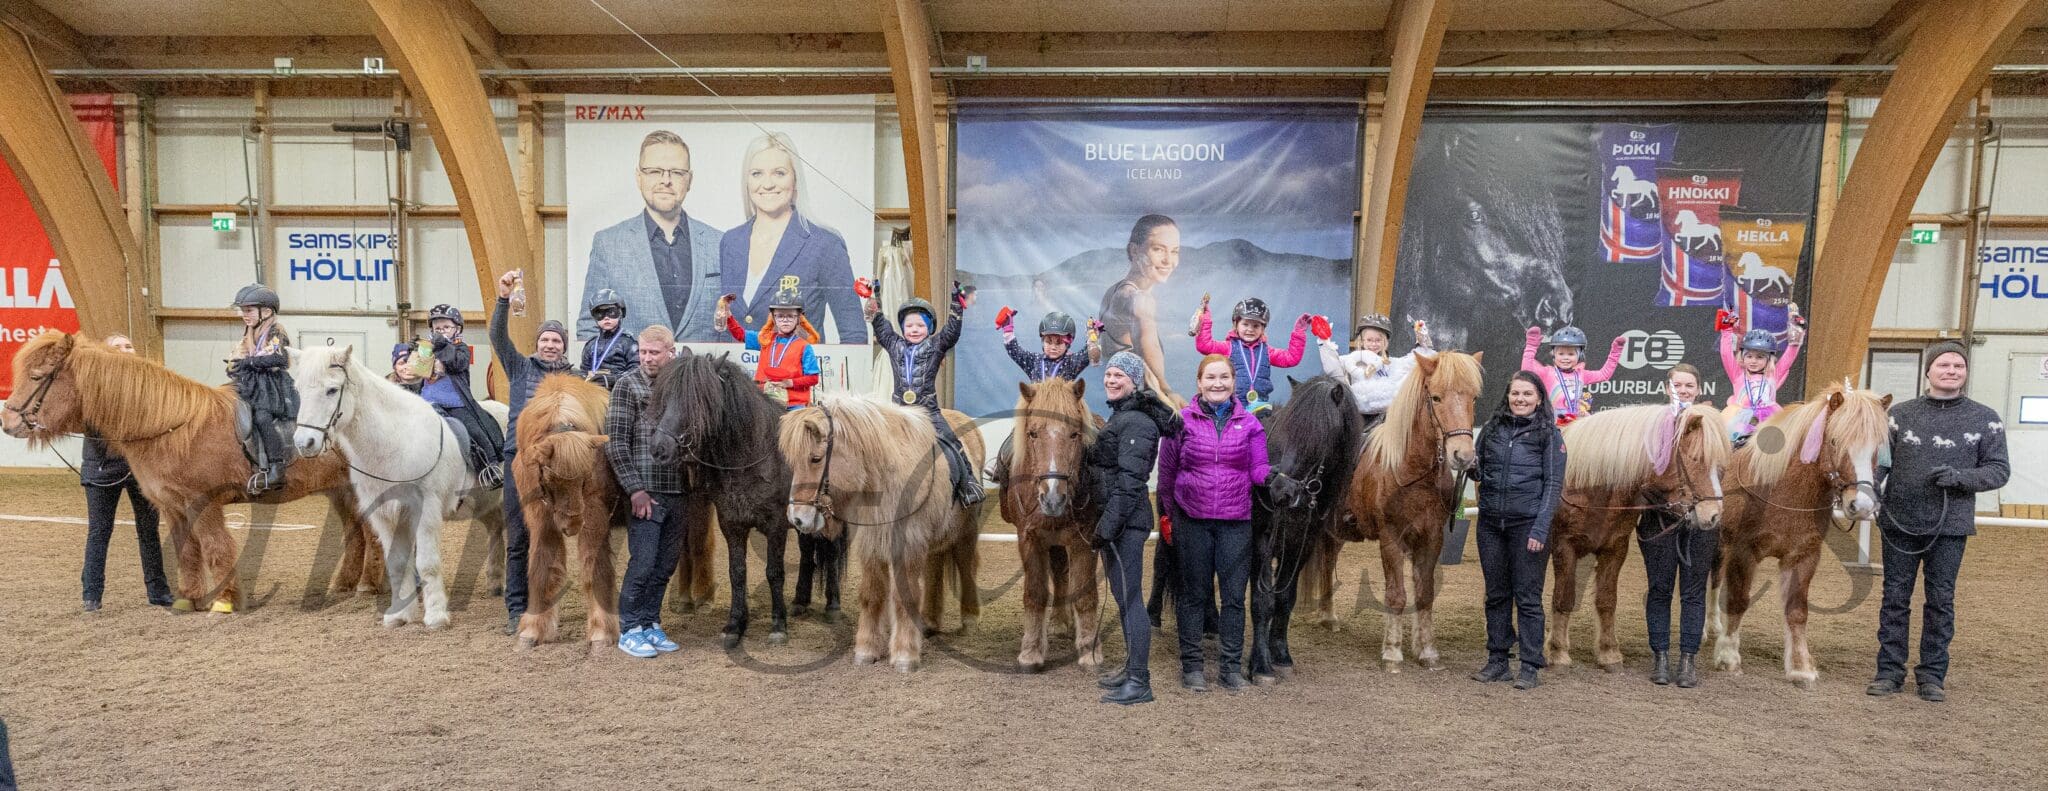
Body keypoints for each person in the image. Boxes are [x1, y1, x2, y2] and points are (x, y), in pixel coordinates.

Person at [1868, 341, 2010, 703]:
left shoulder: (1986, 419)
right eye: (1944, 364)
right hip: (1899, 521)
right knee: (1895, 598)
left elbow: (1998, 470)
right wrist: (1871, 492)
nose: (1951, 371)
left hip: (1950, 526)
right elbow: (1880, 464)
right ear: (1928, 371)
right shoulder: (1897, 416)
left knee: (1940, 600)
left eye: (1958, 366)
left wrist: (1961, 477)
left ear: (1965, 373)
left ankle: (1932, 675)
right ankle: (1889, 671)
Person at [1155, 355, 1300, 693]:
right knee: (1194, 595)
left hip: (1236, 523)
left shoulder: (1250, 425)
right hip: (1192, 519)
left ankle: (1230, 669)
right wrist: (1167, 515)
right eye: (1210, 378)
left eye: (1223, 377)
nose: (1217, 383)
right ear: (1199, 383)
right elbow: (1167, 476)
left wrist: (1276, 479)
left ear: (1234, 382)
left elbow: (1258, 470)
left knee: (1234, 598)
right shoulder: (1182, 423)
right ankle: (1192, 667)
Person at [1089, 351, 1180, 705]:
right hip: (1119, 523)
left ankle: (1140, 681)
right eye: (1109, 374)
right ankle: (1130, 669)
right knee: (1124, 599)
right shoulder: (1122, 417)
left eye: (1119, 376)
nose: (1111, 380)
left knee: (1131, 603)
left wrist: (1106, 528)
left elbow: (1130, 482)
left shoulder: (1137, 423)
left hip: (1126, 524)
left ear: (1134, 381)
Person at [718, 132, 866, 344]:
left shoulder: (825, 244)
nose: (767, 184)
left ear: (795, 179)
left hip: (797, 375)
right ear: (746, 181)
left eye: (779, 173)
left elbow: (854, 335)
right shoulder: (730, 242)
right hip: (734, 375)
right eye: (757, 173)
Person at [491, 270, 575, 635]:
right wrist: (502, 299)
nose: (550, 345)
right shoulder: (520, 367)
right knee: (520, 539)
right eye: (546, 339)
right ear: (538, 343)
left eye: (557, 340)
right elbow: (497, 336)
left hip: (558, 470)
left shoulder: (575, 377)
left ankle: (544, 604)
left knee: (551, 538)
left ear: (564, 346)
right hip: (519, 462)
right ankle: (515, 609)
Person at [581, 130, 725, 342]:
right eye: (655, 171)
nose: (665, 180)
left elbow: (732, 326)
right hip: (632, 373)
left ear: (690, 180)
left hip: (703, 373)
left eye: (676, 172)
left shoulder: (719, 243)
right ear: (639, 177)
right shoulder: (609, 244)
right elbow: (590, 327)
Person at [1470, 371, 1566, 691]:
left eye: (1527, 394)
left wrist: (1540, 529)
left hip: (1528, 526)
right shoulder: (1492, 430)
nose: (1520, 399)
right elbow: (1479, 470)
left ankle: (1529, 663)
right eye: (1515, 394)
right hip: (1490, 525)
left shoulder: (1549, 435)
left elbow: (1553, 485)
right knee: (1496, 594)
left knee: (1527, 597)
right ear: (1507, 396)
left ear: (1539, 398)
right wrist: (1472, 468)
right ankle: (1497, 659)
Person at [606, 325, 688, 658]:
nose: (647, 358)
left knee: (666, 564)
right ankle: (630, 628)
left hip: (679, 490)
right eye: (642, 352)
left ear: (671, 352)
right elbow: (615, 444)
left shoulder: (681, 389)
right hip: (646, 491)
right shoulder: (628, 385)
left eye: (654, 353)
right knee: (643, 562)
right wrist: (635, 490)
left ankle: (651, 622)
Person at [865, 287, 984, 506]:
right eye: (909, 325)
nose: (914, 329)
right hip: (899, 411)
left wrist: (956, 306)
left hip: (928, 411)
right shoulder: (894, 344)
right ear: (902, 328)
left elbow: (951, 333)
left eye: (920, 325)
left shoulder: (936, 345)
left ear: (929, 328)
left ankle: (968, 484)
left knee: (952, 440)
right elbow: (881, 326)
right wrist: (873, 299)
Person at [78, 334, 171, 613]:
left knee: (149, 531)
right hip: (102, 470)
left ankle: (158, 591)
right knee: (99, 532)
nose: (124, 349)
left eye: (128, 345)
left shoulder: (148, 385)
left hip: (141, 470)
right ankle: (91, 594)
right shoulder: (93, 388)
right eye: (116, 346)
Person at [1637, 363, 1712, 688]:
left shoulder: (1711, 423)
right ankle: (1661, 657)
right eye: (1678, 385)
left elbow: (1716, 471)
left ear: (1699, 389)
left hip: (1699, 522)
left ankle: (1688, 660)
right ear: (1667, 388)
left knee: (1694, 593)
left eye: (1689, 386)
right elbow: (1643, 474)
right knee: (1660, 589)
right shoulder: (1653, 424)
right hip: (1660, 520)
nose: (1683, 391)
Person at [986, 310, 1100, 484]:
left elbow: (1089, 354)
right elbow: (1015, 351)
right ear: (1042, 342)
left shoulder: (1072, 362)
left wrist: (1093, 335)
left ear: (1068, 344)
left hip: (1063, 417)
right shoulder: (1033, 361)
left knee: (1089, 437)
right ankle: (1000, 465)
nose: (1053, 346)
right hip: (1037, 416)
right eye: (1048, 341)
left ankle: (1097, 470)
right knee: (1016, 435)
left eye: (1058, 343)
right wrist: (1008, 329)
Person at [1097, 214, 1186, 409]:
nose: (1168, 260)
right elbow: (1148, 342)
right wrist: (1166, 391)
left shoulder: (1114, 291)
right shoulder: (1136, 297)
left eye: (1175, 251)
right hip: (1139, 405)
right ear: (1135, 251)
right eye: (1158, 249)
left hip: (1124, 402)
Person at [420, 304, 507, 488]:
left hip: (455, 402)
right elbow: (416, 372)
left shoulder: (461, 349)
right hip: (428, 399)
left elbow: (457, 363)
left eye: (446, 327)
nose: (441, 331)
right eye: (437, 328)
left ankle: (489, 467)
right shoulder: (427, 348)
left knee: (475, 431)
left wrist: (442, 345)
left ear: (457, 328)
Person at [228, 283, 296, 495]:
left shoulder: (276, 330)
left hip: (271, 386)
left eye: (248, 310)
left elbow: (279, 357)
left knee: (262, 418)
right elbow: (240, 354)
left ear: (265, 312)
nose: (244, 315)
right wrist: (235, 364)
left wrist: (251, 363)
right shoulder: (249, 330)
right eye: (243, 311)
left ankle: (276, 466)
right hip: (251, 382)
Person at [1319, 314, 1435, 432]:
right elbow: (1333, 368)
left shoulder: (1392, 365)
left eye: (1378, 340)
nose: (1373, 344)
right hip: (1358, 424)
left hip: (1388, 424)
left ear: (1384, 342)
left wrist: (1422, 338)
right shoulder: (1350, 361)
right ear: (1362, 341)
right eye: (1369, 340)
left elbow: (1417, 360)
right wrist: (1323, 343)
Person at [1194, 296, 1309, 413]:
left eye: (1256, 326)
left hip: (1260, 407)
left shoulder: (1267, 351)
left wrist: (1299, 333)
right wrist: (1205, 319)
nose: (1250, 329)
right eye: (1245, 324)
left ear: (1263, 329)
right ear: (1236, 325)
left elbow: (1291, 358)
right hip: (1232, 408)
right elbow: (1204, 345)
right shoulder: (1228, 347)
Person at [717, 279, 821, 408]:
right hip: (764, 402)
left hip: (793, 404)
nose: (785, 320)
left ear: (799, 318)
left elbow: (813, 378)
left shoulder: (804, 347)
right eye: (780, 316)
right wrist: (728, 315)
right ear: (773, 317)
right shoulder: (765, 339)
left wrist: (790, 383)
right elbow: (740, 334)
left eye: (790, 316)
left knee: (795, 426)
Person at [1718, 308, 1806, 444]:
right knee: (1734, 446)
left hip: (1769, 420)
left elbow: (1790, 356)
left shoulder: (1774, 375)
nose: (1753, 361)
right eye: (1749, 356)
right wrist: (1727, 331)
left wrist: (1797, 334)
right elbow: (1726, 354)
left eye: (1759, 357)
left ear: (1768, 359)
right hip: (1739, 421)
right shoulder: (1737, 375)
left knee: (1774, 447)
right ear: (1742, 357)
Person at [1520, 325, 1627, 426]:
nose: (1565, 358)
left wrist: (1615, 352)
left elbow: (1604, 374)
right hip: (1551, 426)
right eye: (1561, 354)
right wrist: (1531, 346)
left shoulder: (1581, 374)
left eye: (1571, 354)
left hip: (1575, 425)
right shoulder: (1548, 372)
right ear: (1554, 355)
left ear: (1579, 356)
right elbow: (1526, 370)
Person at [578, 289, 640, 389]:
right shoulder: (591, 345)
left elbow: (636, 370)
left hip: (620, 391)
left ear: (621, 313)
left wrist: (613, 380)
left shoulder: (629, 343)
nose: (606, 317)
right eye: (599, 313)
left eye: (611, 312)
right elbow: (584, 370)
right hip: (592, 392)